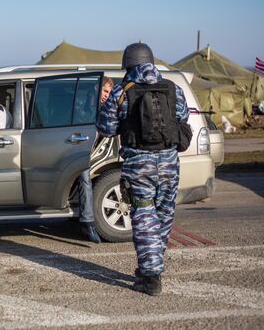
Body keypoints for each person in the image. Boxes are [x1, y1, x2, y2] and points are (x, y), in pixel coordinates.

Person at [96, 43, 189, 296]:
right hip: (170, 163)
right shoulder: (173, 89)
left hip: (139, 165)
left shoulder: (122, 92)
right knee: (164, 214)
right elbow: (182, 118)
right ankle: (153, 263)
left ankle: (151, 277)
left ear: (128, 64)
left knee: (144, 216)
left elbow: (105, 127)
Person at [77, 77, 114, 243]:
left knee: (86, 181)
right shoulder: (79, 105)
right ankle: (87, 222)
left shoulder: (105, 108)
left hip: (95, 152)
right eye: (105, 91)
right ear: (96, 89)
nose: (107, 95)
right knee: (85, 180)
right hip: (76, 149)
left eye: (109, 93)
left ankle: (88, 222)